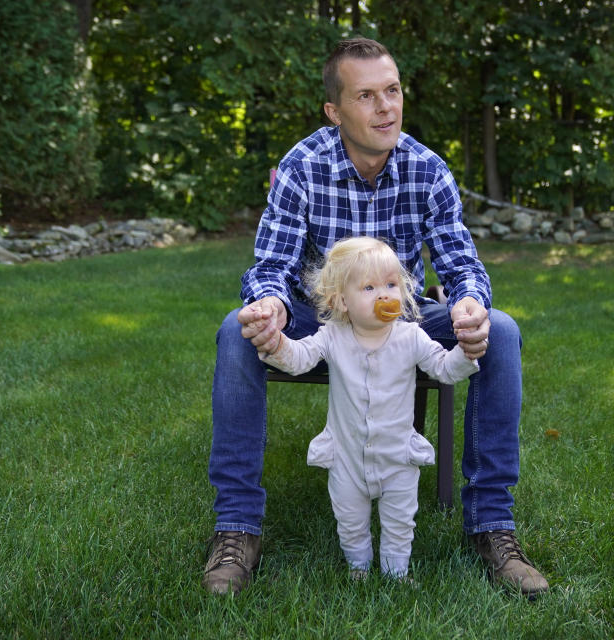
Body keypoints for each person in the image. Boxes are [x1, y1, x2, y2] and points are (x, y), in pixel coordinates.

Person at [204, 37, 549, 597]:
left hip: (402, 320)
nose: (386, 106)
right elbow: (271, 264)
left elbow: (462, 264)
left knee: (502, 330)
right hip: (318, 319)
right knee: (234, 332)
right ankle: (237, 529)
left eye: (392, 90)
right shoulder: (302, 168)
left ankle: (492, 527)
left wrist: (468, 303)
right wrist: (268, 303)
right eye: (366, 96)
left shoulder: (426, 170)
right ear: (335, 112)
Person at [252, 236, 479, 580]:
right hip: (346, 457)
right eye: (369, 287)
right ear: (342, 301)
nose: (384, 294)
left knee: (400, 520)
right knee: (350, 520)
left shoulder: (411, 337)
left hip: (398, 457)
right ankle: (358, 567)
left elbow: (444, 368)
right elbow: (298, 360)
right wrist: (277, 343)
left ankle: (395, 574)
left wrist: (466, 351)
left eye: (391, 284)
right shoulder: (332, 336)